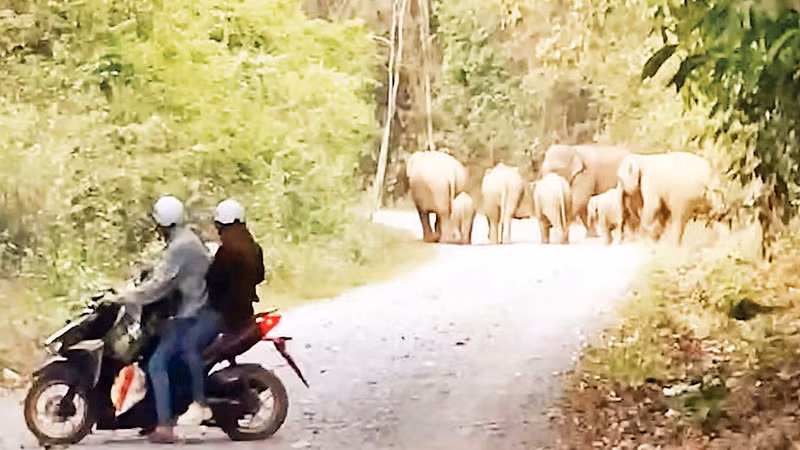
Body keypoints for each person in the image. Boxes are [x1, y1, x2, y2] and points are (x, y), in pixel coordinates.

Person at [118, 195, 212, 443]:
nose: (156, 227)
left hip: (191, 314)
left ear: (163, 223)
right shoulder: (182, 240)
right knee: (154, 356)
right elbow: (161, 273)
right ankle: (155, 415)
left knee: (157, 363)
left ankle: (164, 426)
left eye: (157, 222)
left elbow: (160, 284)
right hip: (186, 311)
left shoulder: (182, 246)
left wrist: (128, 296)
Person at [205, 199, 266, 333]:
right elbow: (260, 276)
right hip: (246, 310)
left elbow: (213, 280)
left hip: (226, 315)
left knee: (194, 341)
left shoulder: (227, 250)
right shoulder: (253, 246)